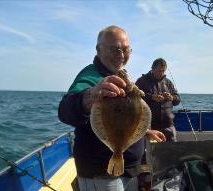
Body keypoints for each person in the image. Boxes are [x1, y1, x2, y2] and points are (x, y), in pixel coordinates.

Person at [58, 25, 165, 191]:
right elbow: (65, 111)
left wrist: (144, 132)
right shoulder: (91, 76)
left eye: (125, 49)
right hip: (101, 174)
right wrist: (91, 95)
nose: (121, 55)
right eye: (114, 49)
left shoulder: (120, 77)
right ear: (98, 50)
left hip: (129, 170)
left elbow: (123, 117)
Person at [135, 58, 181, 142]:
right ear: (152, 69)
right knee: (151, 152)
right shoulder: (141, 81)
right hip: (149, 127)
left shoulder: (168, 83)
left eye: (163, 71)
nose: (161, 73)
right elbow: (134, 98)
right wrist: (152, 97)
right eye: (159, 71)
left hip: (168, 126)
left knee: (171, 151)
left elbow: (177, 100)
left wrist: (171, 97)